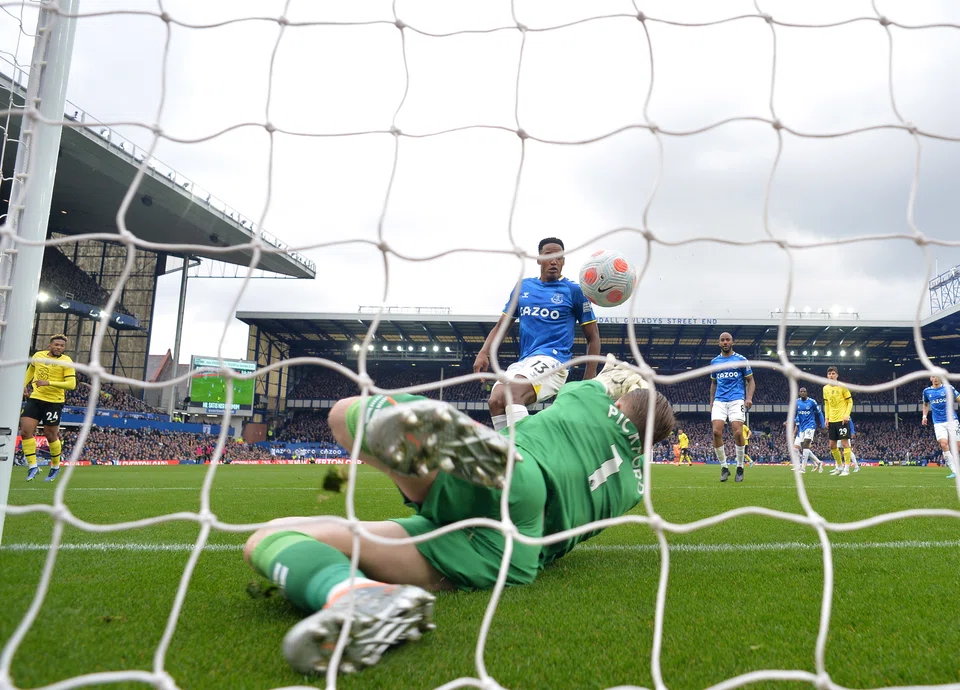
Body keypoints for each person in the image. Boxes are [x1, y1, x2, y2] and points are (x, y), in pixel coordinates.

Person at [243, 357, 673, 675]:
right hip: (512, 551)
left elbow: (581, 382)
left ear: (621, 404)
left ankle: (444, 436)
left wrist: (615, 377)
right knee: (274, 535)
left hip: (518, 478)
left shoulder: (589, 398)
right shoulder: (634, 489)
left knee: (343, 416)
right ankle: (356, 597)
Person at [473, 237, 601, 431]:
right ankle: (508, 454)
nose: (554, 261)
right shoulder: (523, 287)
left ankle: (528, 451)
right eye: (549, 256)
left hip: (555, 361)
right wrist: (484, 352)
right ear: (538, 259)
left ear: (564, 261)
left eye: (559, 257)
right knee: (496, 400)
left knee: (514, 394)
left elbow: (593, 337)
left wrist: (588, 381)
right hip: (525, 361)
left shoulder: (574, 291)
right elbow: (501, 326)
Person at [21, 334, 76, 482]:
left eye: (62, 346)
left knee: (50, 435)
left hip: (54, 401)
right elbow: (31, 370)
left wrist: (49, 383)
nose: (59, 348)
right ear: (49, 345)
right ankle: (33, 466)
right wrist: (23, 385)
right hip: (36, 398)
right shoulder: (38, 356)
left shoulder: (66, 361)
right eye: (56, 345)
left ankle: (56, 466)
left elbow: (71, 385)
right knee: (25, 431)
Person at [709, 332, 755, 483]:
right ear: (719, 343)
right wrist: (711, 402)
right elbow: (714, 383)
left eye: (727, 339)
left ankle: (740, 467)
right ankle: (724, 467)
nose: (725, 342)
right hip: (719, 401)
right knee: (716, 431)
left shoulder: (741, 360)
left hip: (736, 399)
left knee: (737, 431)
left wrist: (748, 398)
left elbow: (751, 381)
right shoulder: (715, 362)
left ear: (732, 342)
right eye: (722, 340)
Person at [921, 375, 960, 479]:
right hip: (938, 422)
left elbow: (959, 399)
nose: (936, 378)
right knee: (943, 444)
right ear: (930, 378)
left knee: (957, 447)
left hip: (952, 420)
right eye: (933, 376)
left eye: (937, 376)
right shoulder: (927, 391)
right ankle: (955, 471)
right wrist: (924, 416)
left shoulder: (949, 388)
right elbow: (925, 404)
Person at [822, 366, 853, 477]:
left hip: (842, 420)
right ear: (827, 375)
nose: (831, 375)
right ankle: (839, 467)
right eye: (829, 373)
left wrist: (846, 415)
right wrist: (826, 418)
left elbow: (850, 402)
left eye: (833, 373)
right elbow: (827, 404)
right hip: (832, 420)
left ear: (837, 375)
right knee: (832, 445)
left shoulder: (843, 387)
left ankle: (847, 468)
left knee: (845, 444)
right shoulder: (825, 388)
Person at [788, 387, 825, 473]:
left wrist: (823, 426)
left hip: (810, 426)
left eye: (804, 391)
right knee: (805, 448)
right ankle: (818, 462)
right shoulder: (796, 402)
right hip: (801, 428)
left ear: (807, 393)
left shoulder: (812, 402)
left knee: (806, 445)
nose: (803, 393)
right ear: (799, 393)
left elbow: (819, 413)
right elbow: (794, 415)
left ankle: (803, 468)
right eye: (801, 391)